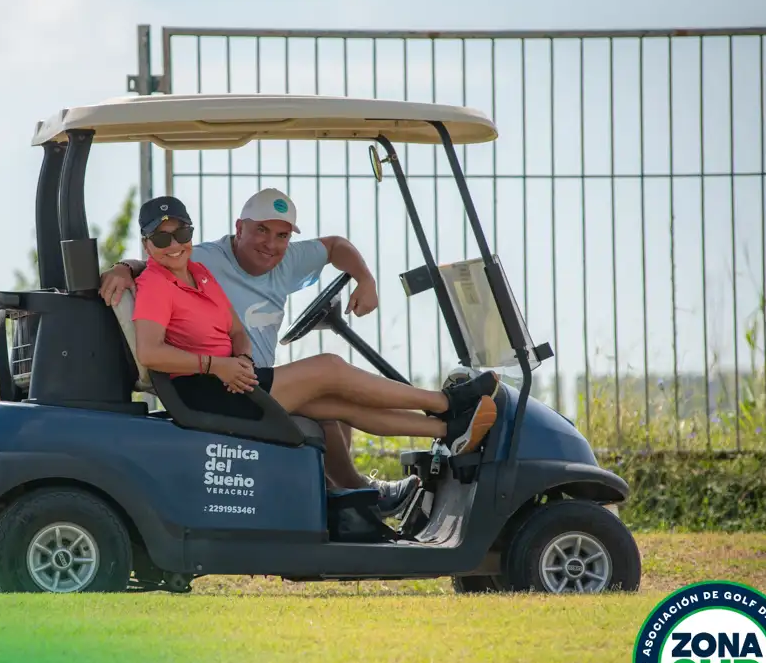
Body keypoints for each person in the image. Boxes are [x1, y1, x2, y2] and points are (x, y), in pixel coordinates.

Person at [102, 189, 431, 514]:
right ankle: (366, 487)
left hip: (246, 376)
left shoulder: (224, 269)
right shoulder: (200, 260)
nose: (271, 244)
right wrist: (122, 268)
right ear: (239, 227)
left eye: (281, 235)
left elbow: (335, 246)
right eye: (261, 230)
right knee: (331, 373)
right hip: (224, 385)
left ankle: (431, 434)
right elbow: (152, 267)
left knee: (339, 404)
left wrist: (366, 279)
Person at [122, 200, 501, 471]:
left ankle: (447, 429)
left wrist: (241, 358)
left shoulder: (199, 272)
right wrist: (217, 366)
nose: (174, 245)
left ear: (191, 232)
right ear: (146, 244)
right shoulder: (157, 284)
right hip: (206, 392)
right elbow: (150, 353)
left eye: (182, 233)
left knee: (340, 404)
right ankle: (445, 401)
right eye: (161, 239)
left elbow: (237, 329)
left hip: (235, 379)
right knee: (330, 368)